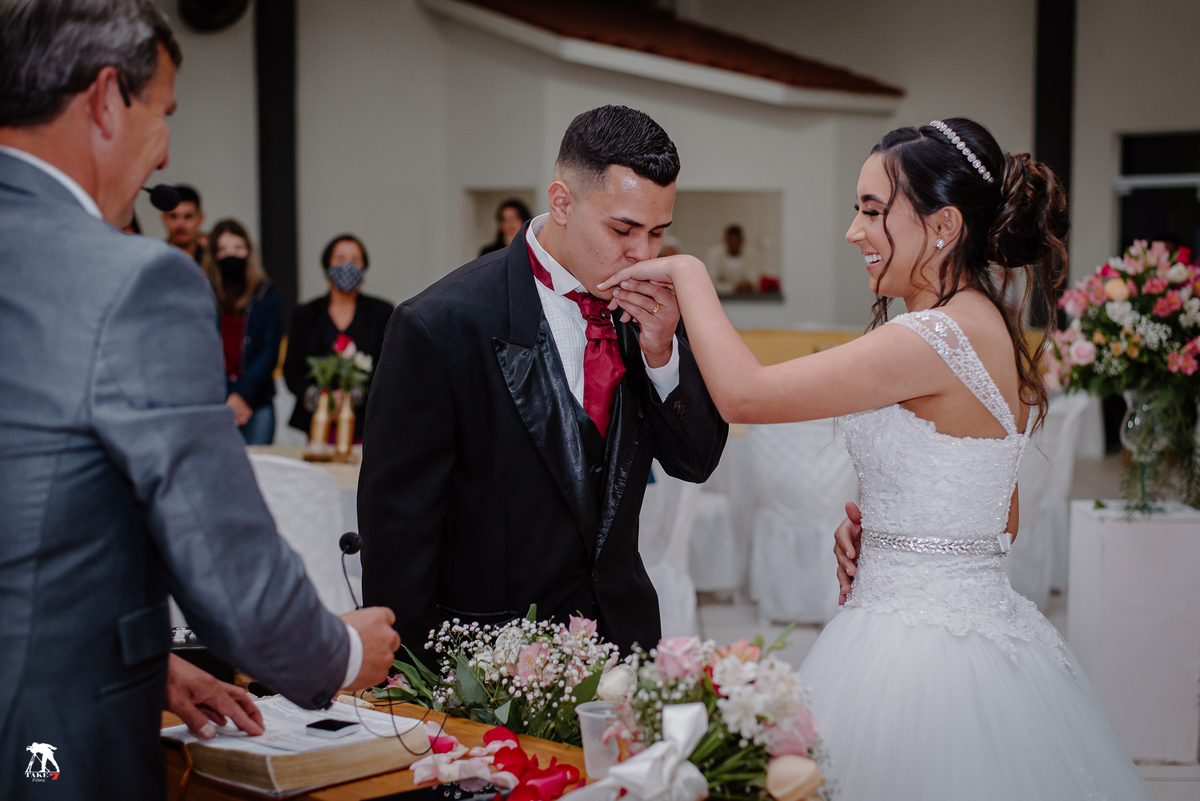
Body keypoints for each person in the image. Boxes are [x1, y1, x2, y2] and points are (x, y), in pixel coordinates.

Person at [598, 118, 1154, 799]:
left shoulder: (937, 333)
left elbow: (744, 394)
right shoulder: (977, 320)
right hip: (951, 623)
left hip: (922, 658)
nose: (853, 232)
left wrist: (688, 272)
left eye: (870, 211)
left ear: (943, 224)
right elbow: (999, 519)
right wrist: (896, 530)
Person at [0, 3, 400, 798]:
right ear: (107, 100)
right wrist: (338, 652)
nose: (166, 152)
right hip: (46, 738)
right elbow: (221, 551)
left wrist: (156, 662)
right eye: (165, 114)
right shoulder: (130, 280)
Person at [360, 105, 728, 660]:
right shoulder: (438, 326)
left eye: (657, 233)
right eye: (622, 229)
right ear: (561, 202)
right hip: (490, 660)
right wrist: (415, 681)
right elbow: (398, 532)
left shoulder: (651, 313)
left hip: (622, 648)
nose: (643, 254)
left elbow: (696, 461)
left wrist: (661, 354)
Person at [284, 233, 393, 442]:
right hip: (316, 421)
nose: (347, 266)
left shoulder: (382, 313)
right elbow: (292, 370)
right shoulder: (305, 314)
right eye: (340, 259)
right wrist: (322, 400)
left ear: (364, 268)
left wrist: (353, 398)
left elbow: (389, 367)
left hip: (366, 424)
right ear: (327, 266)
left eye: (355, 260)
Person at [203, 218, 282, 445]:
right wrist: (229, 397)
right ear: (214, 254)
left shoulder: (267, 296)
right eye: (223, 249)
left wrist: (241, 396)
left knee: (259, 473)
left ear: (248, 251)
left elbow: (269, 351)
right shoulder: (202, 295)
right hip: (214, 402)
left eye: (238, 248)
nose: (231, 255)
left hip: (257, 403)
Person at [705, 224, 757, 293]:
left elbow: (752, 280)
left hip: (745, 298)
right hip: (720, 297)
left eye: (736, 240)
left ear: (741, 241)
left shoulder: (751, 256)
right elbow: (712, 281)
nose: (733, 243)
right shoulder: (714, 255)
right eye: (731, 240)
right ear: (726, 240)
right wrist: (734, 287)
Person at [162, 182, 204, 262]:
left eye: (188, 216)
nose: (180, 224)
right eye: (173, 216)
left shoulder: (214, 262)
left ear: (200, 218)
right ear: (164, 218)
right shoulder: (153, 259)